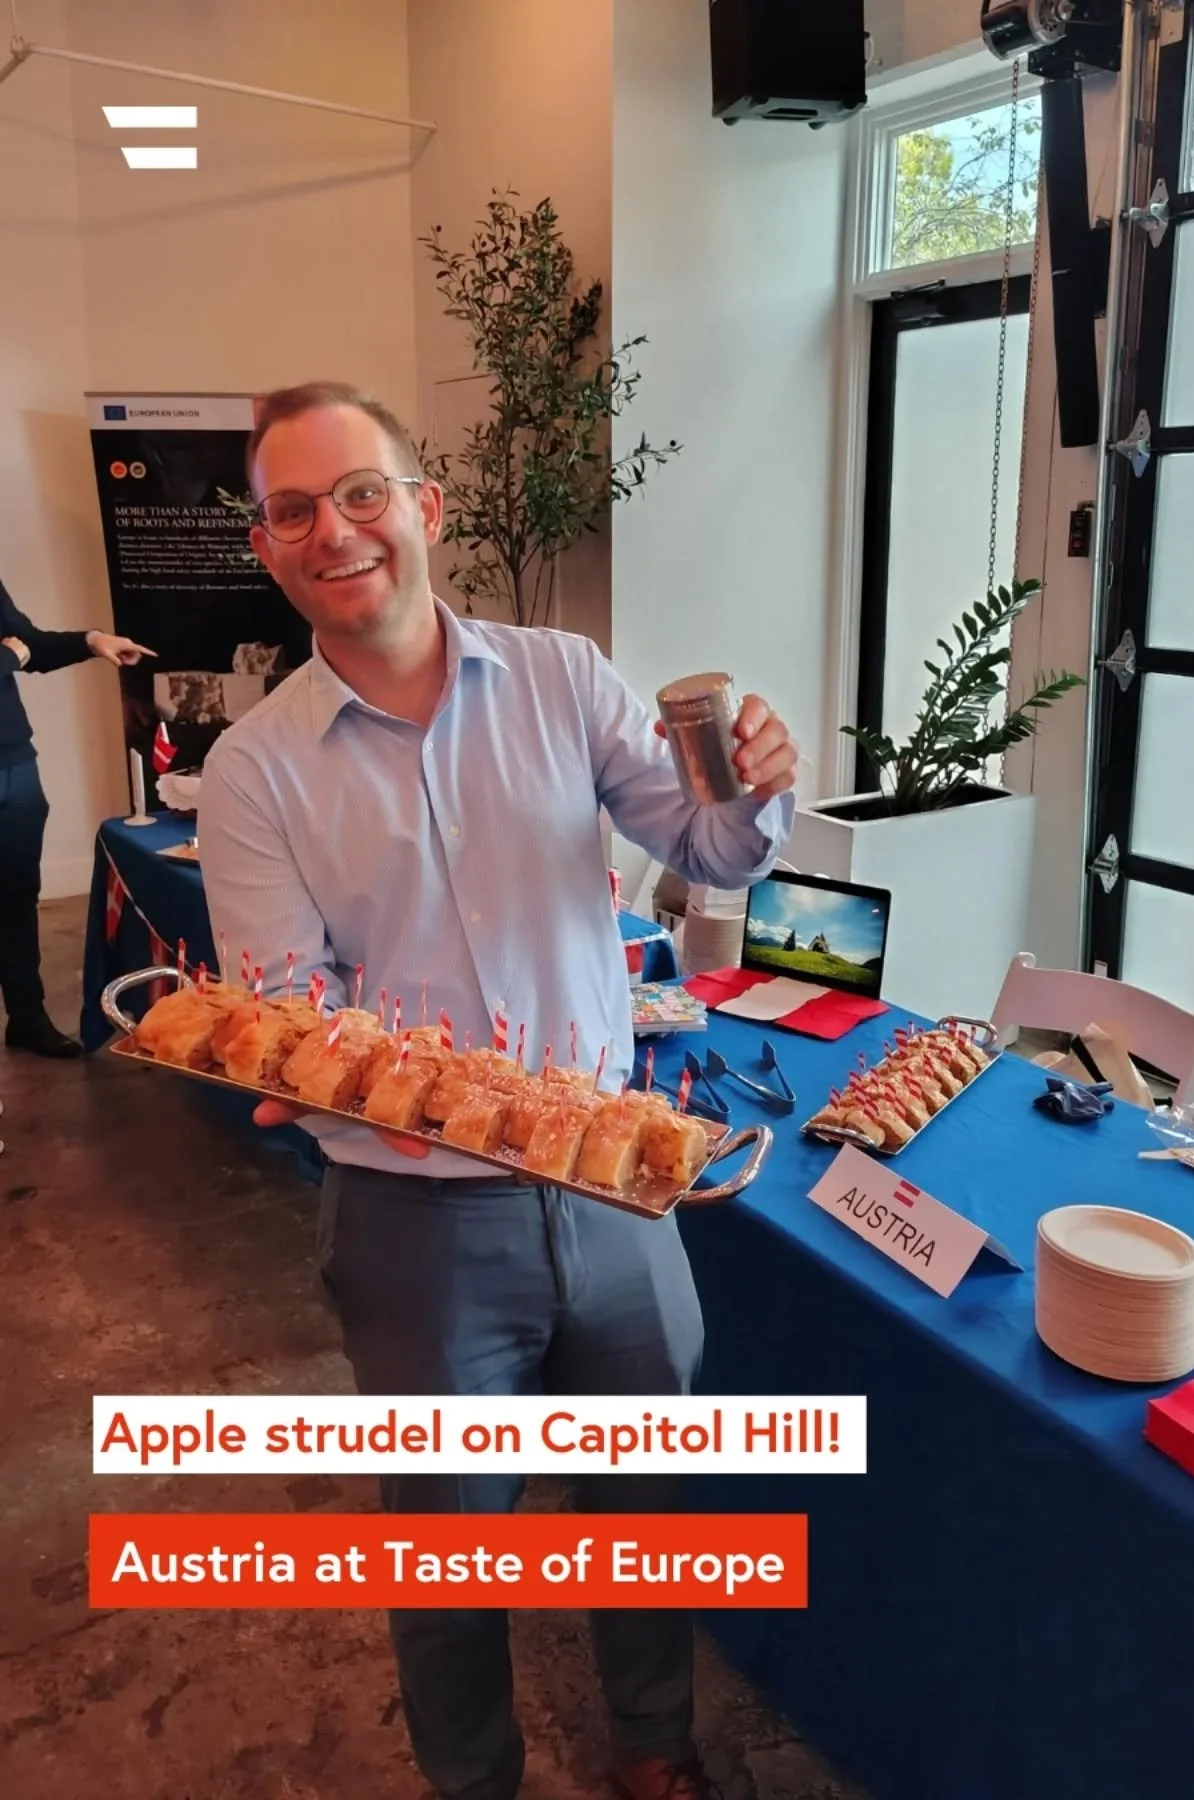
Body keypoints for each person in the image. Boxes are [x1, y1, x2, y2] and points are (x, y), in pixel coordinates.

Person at [196, 381, 800, 1800]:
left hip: (619, 1192)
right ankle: (472, 1777)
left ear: (425, 507)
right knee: (448, 1537)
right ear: (268, 549)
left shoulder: (564, 679)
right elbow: (293, 1012)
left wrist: (750, 788)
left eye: (362, 493)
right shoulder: (254, 770)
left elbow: (707, 851)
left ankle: (653, 1745)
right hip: (417, 1226)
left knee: (647, 1504)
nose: (335, 530)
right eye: (294, 511)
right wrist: (296, 1069)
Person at [0, 579, 153, 1057]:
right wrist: (8, 658)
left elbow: (28, 644)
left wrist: (92, 641)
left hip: (13, 764)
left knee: (16, 896)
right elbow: (15, 652)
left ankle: (27, 1017)